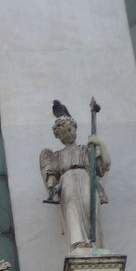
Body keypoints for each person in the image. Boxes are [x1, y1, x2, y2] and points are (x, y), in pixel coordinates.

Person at [39, 101, 110, 254]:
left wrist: (100, 144)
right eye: (63, 133)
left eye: (70, 130)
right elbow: (52, 175)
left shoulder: (86, 150)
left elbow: (104, 165)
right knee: (72, 211)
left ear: (75, 129)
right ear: (59, 136)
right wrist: (51, 186)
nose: (68, 134)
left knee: (91, 209)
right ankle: (79, 245)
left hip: (86, 180)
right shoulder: (57, 156)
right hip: (67, 183)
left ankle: (95, 246)